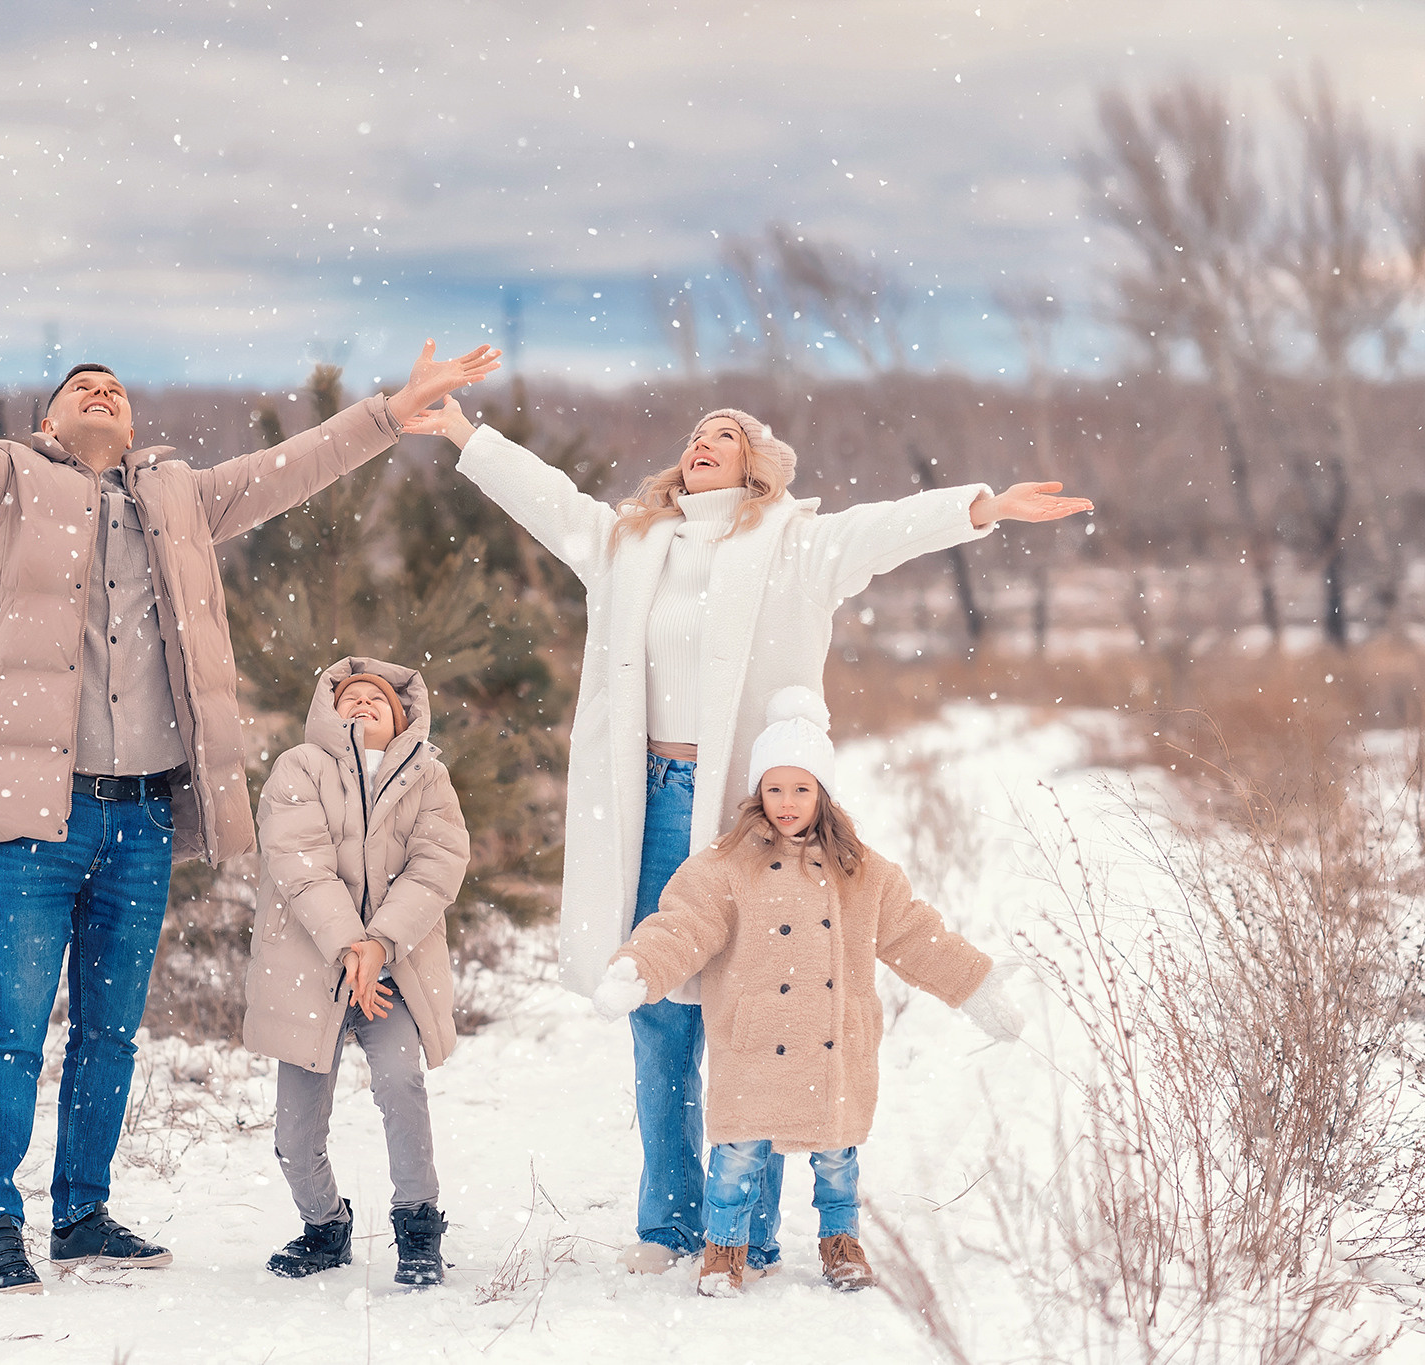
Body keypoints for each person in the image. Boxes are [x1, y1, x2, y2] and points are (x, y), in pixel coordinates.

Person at [0, 234, 498, 1292]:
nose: (99, 391)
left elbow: (294, 467)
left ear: (133, 422)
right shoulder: (2, 483)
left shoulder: (181, 498)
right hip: (37, 821)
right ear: (48, 422)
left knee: (109, 1033)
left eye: (114, 386)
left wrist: (390, 412)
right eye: (77, 387)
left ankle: (84, 1212)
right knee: (14, 1028)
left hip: (143, 816)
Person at [404, 397, 1087, 1271]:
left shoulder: (796, 546)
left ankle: (749, 1232)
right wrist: (464, 431)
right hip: (652, 797)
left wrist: (982, 506)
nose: (701, 443)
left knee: (753, 1007)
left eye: (723, 436)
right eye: (694, 435)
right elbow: (550, 500)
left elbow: (887, 529)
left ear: (757, 463)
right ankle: (669, 1222)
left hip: (745, 814)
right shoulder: (632, 543)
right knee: (656, 1011)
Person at [593, 688, 1023, 1293]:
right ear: (757, 792)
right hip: (754, 1045)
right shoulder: (726, 864)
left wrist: (972, 983)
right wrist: (639, 968)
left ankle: (840, 1245)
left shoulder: (862, 872)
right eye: (774, 789)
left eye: (801, 789)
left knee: (838, 1158)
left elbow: (914, 933)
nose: (787, 803)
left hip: (832, 1043)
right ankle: (725, 1252)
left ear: (823, 791)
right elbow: (683, 925)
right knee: (738, 1156)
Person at [243, 658, 470, 1287]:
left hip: (392, 970)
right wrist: (350, 945)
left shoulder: (428, 776)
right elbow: (300, 863)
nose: (364, 703)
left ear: (403, 717)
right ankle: (324, 1226)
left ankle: (418, 1226)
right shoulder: (299, 768)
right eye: (351, 696)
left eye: (379, 698)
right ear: (329, 711)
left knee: (401, 1084)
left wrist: (380, 944)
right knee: (295, 1128)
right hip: (310, 968)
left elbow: (436, 866)